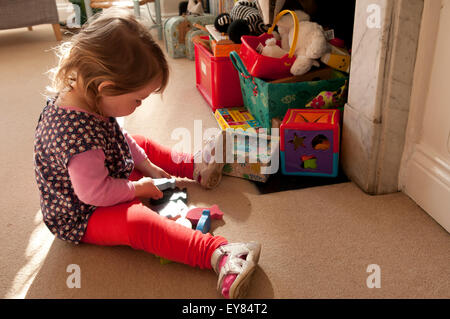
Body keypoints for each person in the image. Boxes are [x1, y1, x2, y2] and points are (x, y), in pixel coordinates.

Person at [33, 8, 261, 299]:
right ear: (107, 87)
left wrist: (147, 165)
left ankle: (196, 167)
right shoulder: (76, 137)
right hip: (83, 212)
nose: (139, 105)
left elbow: (119, 138)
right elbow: (94, 194)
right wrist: (135, 188)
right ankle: (219, 253)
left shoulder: (91, 99)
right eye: (137, 99)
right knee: (136, 222)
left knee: (139, 144)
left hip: (100, 175)